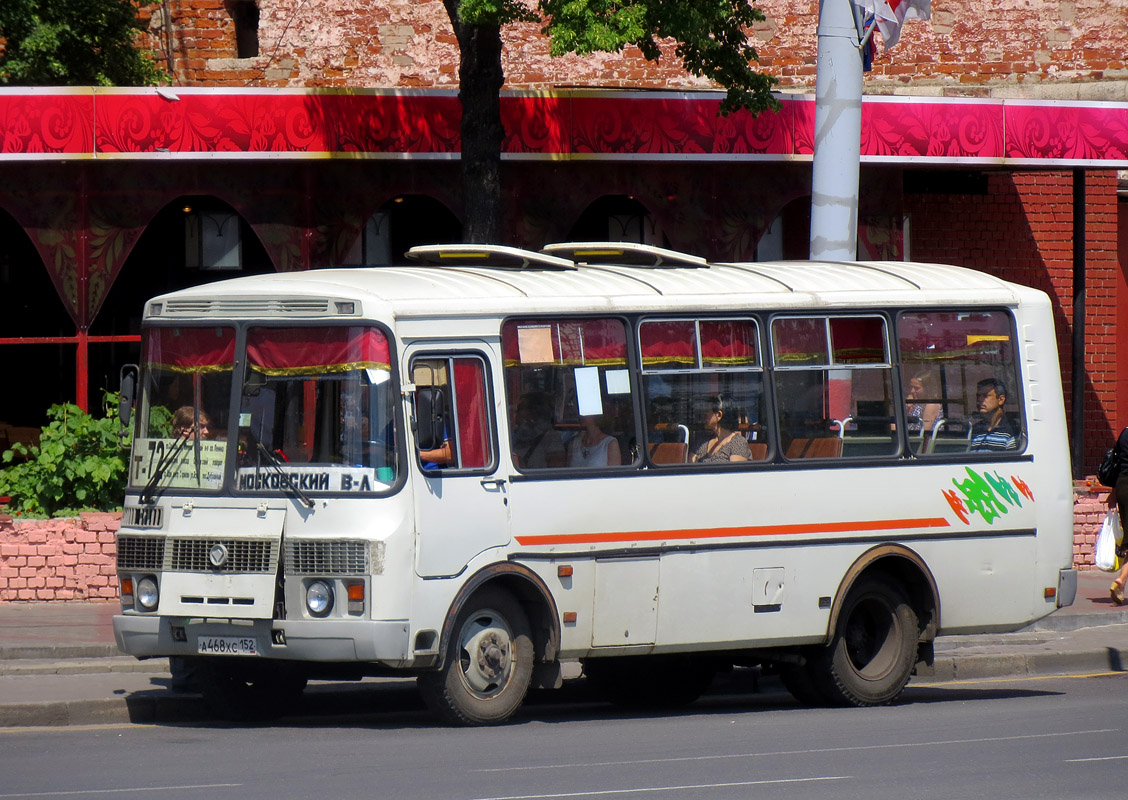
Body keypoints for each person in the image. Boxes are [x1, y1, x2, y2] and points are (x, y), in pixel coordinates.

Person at [692, 394, 752, 464]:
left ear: (719, 415)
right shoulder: (702, 441)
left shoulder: (738, 443)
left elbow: (734, 472)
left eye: (708, 410)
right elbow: (690, 467)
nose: (704, 414)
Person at [512, 392, 565, 468]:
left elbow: (556, 470)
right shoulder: (513, 435)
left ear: (532, 413)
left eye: (520, 408)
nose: (516, 413)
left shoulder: (551, 438)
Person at [1107, 425, 1128, 604]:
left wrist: (1113, 493)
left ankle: (1121, 584)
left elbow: (1116, 461)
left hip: (1122, 486)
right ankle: (1120, 581)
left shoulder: (1125, 432)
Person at [969, 378, 1019, 452]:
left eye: (985, 396)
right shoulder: (975, 430)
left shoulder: (1012, 430)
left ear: (1001, 399)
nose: (980, 400)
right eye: (978, 396)